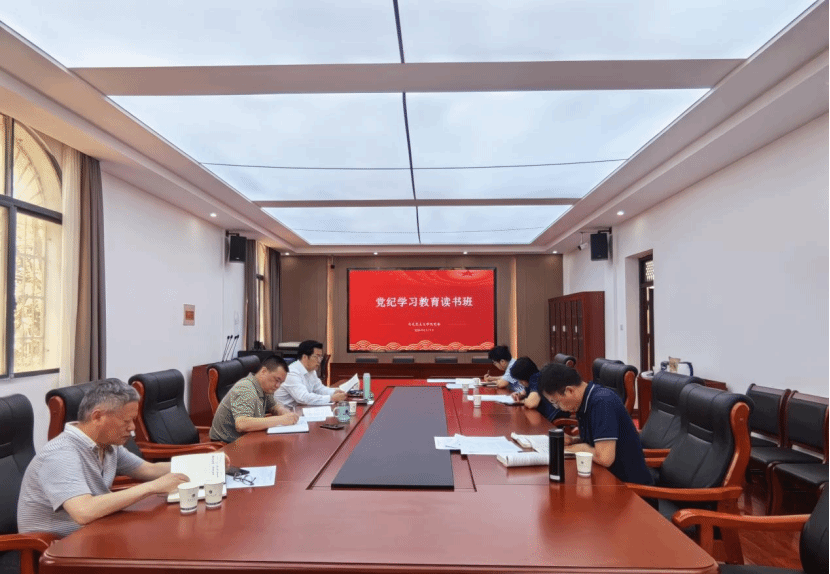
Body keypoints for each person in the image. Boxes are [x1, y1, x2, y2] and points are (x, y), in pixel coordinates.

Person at [17, 379, 196, 537]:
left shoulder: (108, 445)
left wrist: (203, 463)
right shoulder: (60, 454)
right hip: (52, 549)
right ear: (97, 417)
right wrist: (153, 487)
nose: (132, 428)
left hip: (95, 533)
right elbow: (83, 511)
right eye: (126, 421)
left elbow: (148, 469)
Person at [538, 363, 653, 485]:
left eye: (556, 402)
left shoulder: (602, 403)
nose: (558, 408)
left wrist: (576, 449)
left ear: (569, 391)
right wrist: (574, 440)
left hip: (629, 488)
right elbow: (595, 439)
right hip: (606, 479)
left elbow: (605, 458)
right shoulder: (584, 401)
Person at [209, 355, 300, 443]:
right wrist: (281, 420)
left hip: (246, 438)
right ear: (264, 371)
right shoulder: (246, 389)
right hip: (226, 445)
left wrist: (284, 412)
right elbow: (242, 424)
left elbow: (274, 406)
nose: (277, 386)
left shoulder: (264, 388)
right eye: (277, 380)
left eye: (281, 382)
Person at [275, 340, 346, 408]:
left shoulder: (311, 371)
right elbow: (303, 398)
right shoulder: (292, 373)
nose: (319, 361)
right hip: (284, 412)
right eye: (316, 357)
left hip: (299, 408)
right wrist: (331, 398)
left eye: (320, 357)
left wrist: (335, 392)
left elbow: (319, 389)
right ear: (305, 357)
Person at [508, 357, 565, 422]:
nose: (520, 383)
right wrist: (519, 395)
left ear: (524, 376)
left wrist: (520, 402)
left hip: (555, 419)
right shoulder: (536, 376)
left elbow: (532, 403)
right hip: (549, 417)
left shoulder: (536, 378)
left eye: (520, 380)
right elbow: (527, 392)